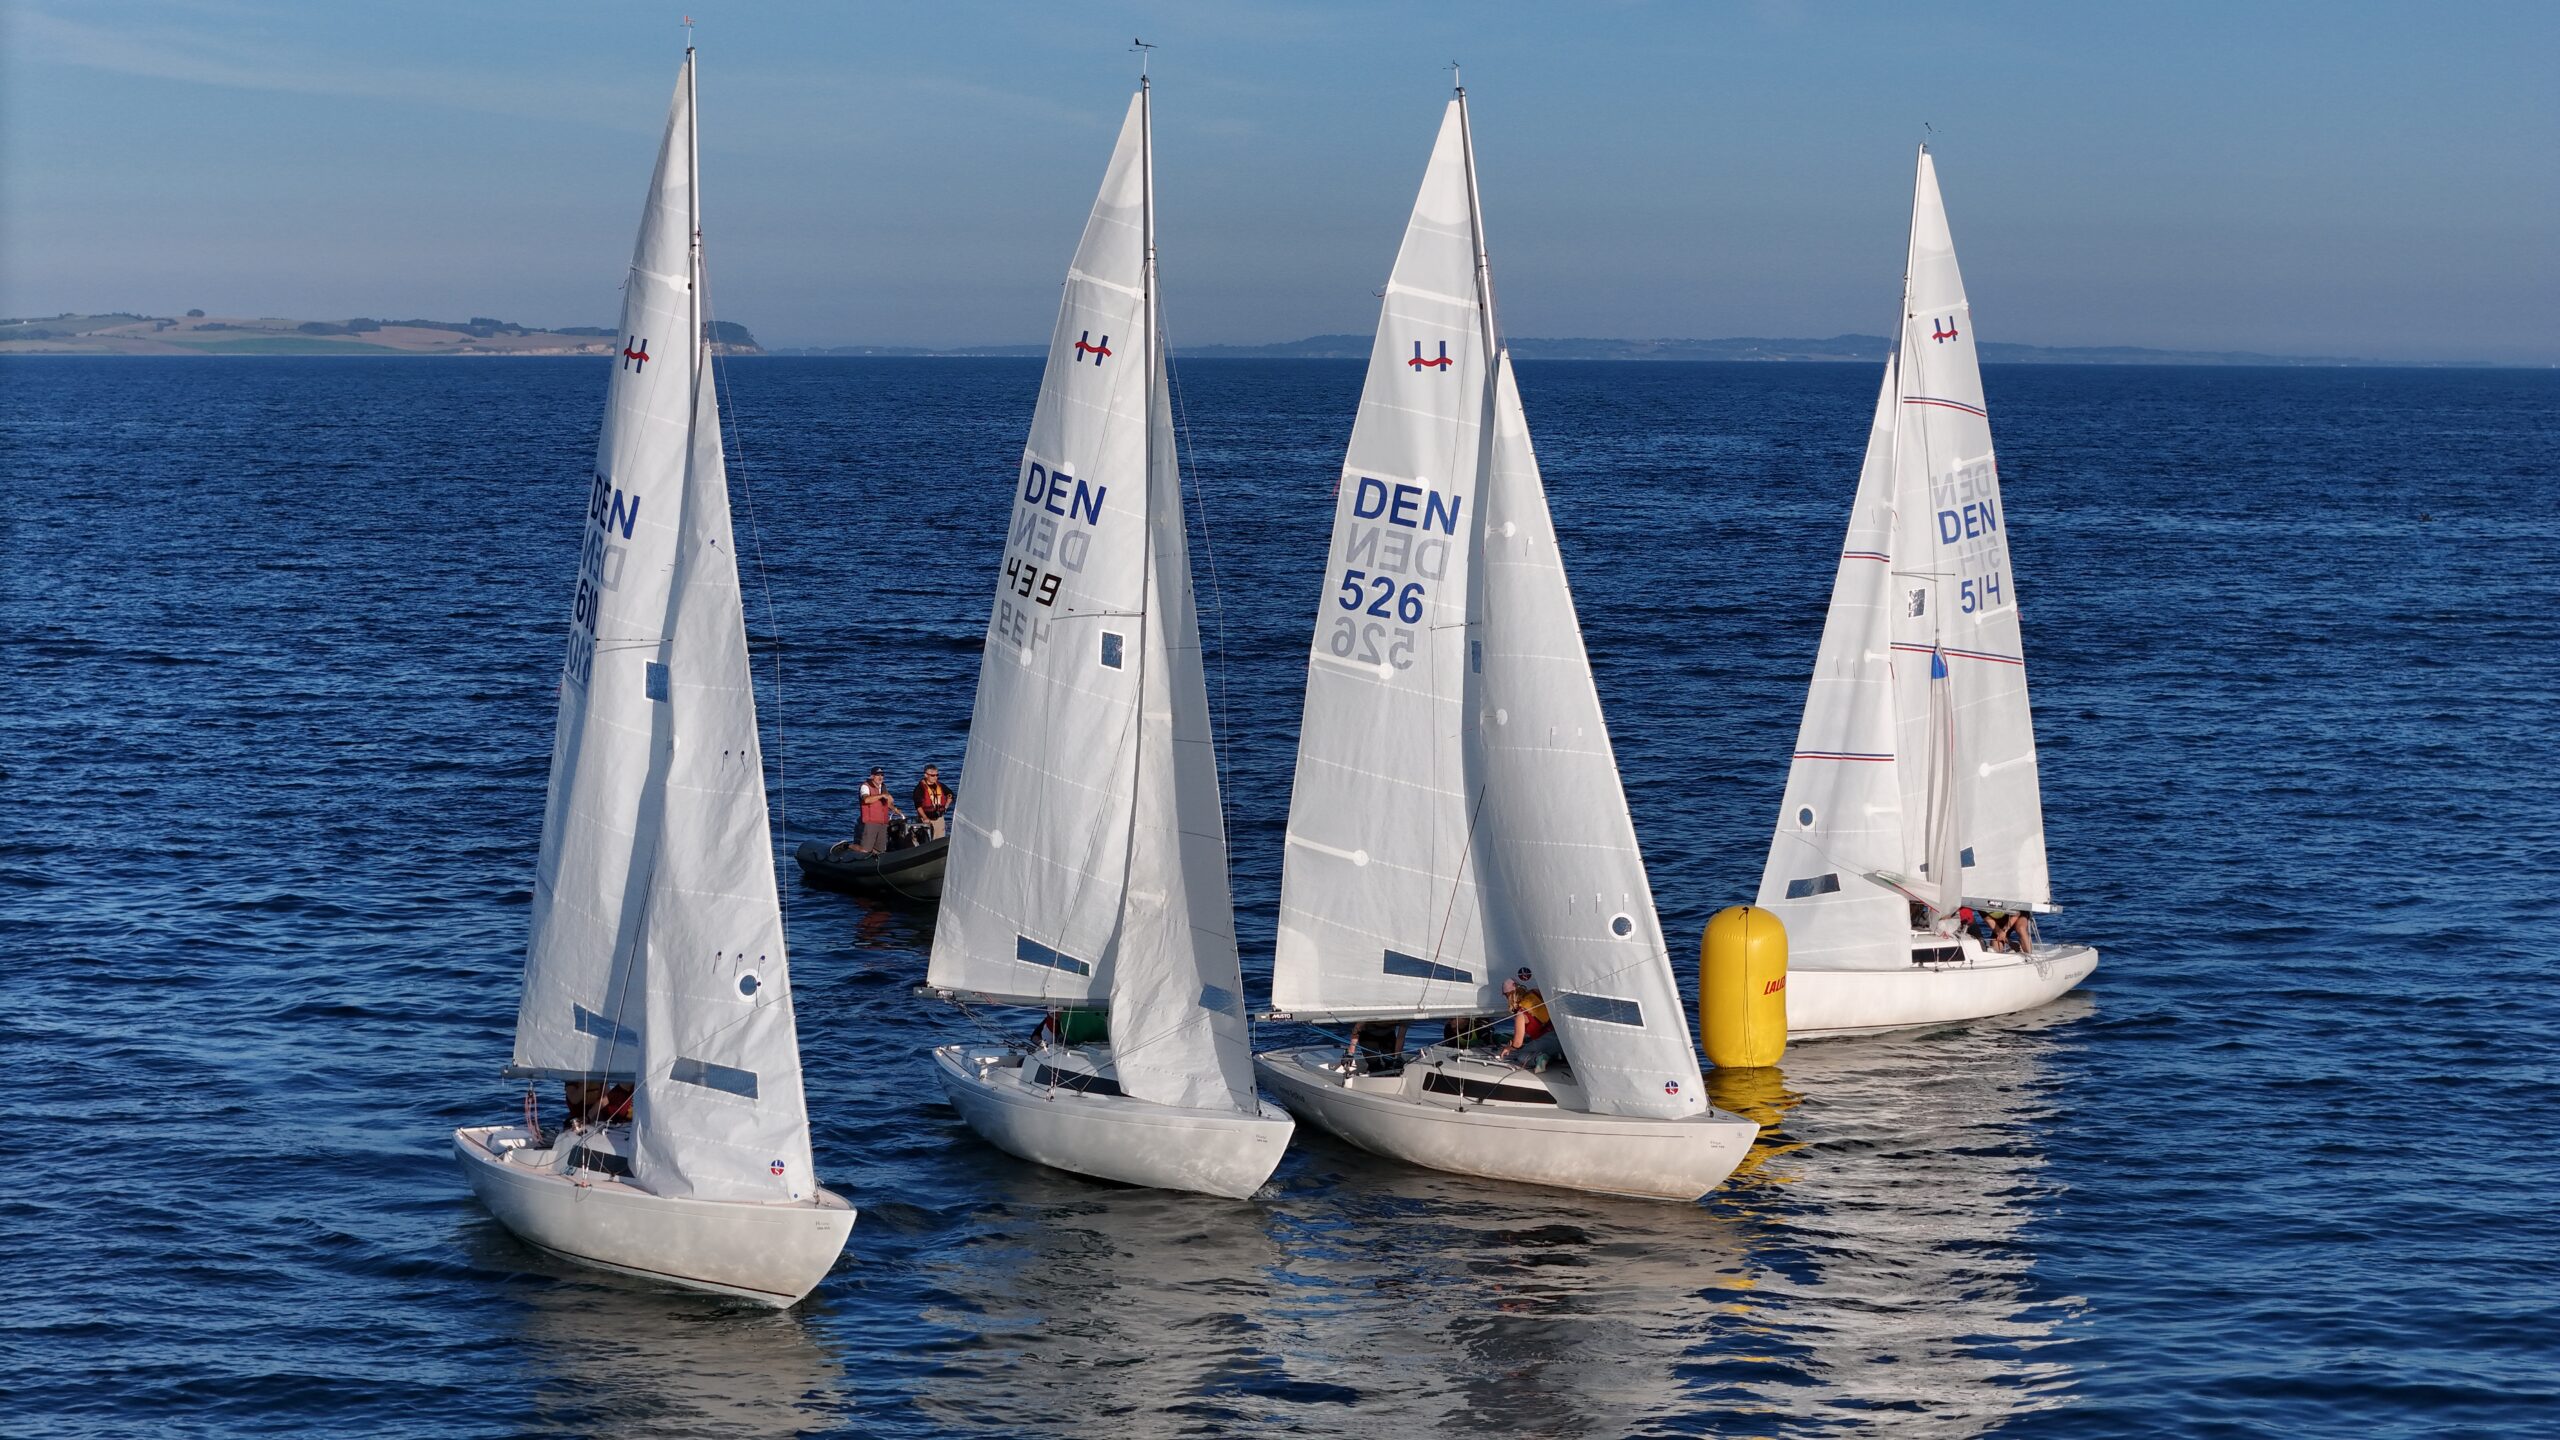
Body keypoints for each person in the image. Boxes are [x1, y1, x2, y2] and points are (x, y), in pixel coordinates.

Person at [1499, 968, 1563, 1072]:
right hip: (1562, 1039)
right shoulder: (1536, 992)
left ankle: (1539, 1058)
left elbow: (1517, 1044)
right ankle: (1556, 1055)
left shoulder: (1520, 1014)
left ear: (1509, 996)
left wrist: (1508, 1048)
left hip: (1547, 1041)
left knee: (1521, 1055)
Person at [853, 767, 902, 855]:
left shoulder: (883, 787)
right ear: (872, 776)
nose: (880, 777)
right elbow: (866, 800)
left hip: (883, 822)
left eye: (882, 775)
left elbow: (886, 802)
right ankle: (847, 846)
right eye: (878, 775)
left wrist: (895, 809)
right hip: (870, 822)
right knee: (865, 850)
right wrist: (881, 795)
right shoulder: (865, 786)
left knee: (879, 850)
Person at [912, 765, 956, 841]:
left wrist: (946, 806)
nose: (935, 777)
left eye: (937, 775)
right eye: (932, 775)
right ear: (926, 775)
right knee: (926, 841)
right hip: (926, 819)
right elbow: (918, 806)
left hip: (939, 819)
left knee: (940, 840)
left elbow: (950, 795)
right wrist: (925, 818)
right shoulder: (920, 788)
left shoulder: (940, 785)